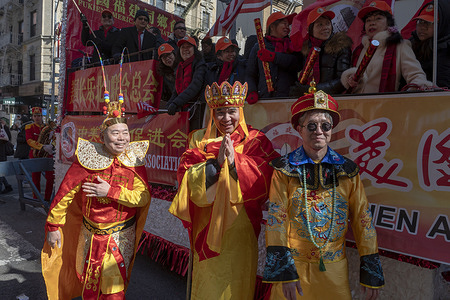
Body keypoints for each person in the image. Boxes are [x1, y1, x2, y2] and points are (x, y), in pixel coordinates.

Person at [263, 84, 385, 299]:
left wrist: (371, 273)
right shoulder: (284, 169)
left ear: (331, 130)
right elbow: (277, 220)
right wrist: (285, 274)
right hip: (295, 268)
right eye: (311, 126)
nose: (319, 131)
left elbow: (362, 220)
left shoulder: (348, 171)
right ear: (299, 129)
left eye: (325, 126)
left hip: (334, 269)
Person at [169, 81, 279, 299]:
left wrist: (234, 162)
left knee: (235, 286)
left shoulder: (256, 140)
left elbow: (266, 178)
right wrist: (214, 165)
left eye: (232, 111)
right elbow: (185, 175)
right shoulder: (199, 139)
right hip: (206, 224)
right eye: (220, 112)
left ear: (241, 111)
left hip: (240, 226)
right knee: (207, 286)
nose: (226, 118)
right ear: (212, 112)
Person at [41, 98, 151, 299]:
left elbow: (142, 198)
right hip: (89, 234)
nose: (121, 138)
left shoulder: (133, 161)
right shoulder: (87, 159)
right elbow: (65, 193)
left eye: (125, 133)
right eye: (115, 133)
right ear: (102, 136)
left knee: (113, 288)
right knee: (89, 284)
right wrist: (53, 226)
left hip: (120, 236)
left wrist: (110, 191)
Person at [341, 1, 433, 93]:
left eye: (378, 18)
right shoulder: (358, 50)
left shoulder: (400, 45)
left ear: (389, 23)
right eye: (368, 20)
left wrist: (416, 91)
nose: (372, 23)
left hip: (385, 105)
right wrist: (350, 79)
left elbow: (416, 76)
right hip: (357, 105)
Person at [290, 7, 352, 96]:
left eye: (327, 24)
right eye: (320, 25)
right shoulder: (305, 49)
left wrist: (313, 90)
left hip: (331, 101)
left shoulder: (340, 46)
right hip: (308, 100)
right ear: (310, 29)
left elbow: (342, 80)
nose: (325, 28)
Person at [246, 11, 302, 103]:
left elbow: (297, 64)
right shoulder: (259, 47)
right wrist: (252, 91)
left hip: (288, 97)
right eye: (284, 24)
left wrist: (274, 57)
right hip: (265, 98)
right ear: (272, 27)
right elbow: (250, 74)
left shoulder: (292, 45)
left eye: (288, 25)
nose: (287, 27)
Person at [166, 36, 206, 130]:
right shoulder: (180, 67)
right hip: (183, 110)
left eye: (189, 46)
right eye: (183, 47)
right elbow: (176, 90)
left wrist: (176, 103)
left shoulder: (200, 65)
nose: (185, 50)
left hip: (196, 110)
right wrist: (170, 104)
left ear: (194, 49)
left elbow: (194, 87)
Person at [409, 2, 450, 88]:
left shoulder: (446, 50)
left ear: (442, 24)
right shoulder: (409, 47)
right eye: (420, 21)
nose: (423, 27)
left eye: (429, 23)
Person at [25, 107, 54, 201]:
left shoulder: (47, 127)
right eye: (35, 116)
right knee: (35, 178)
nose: (37, 118)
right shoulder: (29, 127)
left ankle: (47, 198)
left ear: (42, 116)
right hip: (35, 153)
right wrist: (42, 146)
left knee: (50, 178)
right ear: (32, 117)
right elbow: (29, 140)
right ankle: (36, 199)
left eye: (39, 116)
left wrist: (51, 146)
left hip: (47, 153)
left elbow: (54, 138)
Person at [157, 43, 177, 107]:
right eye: (164, 57)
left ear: (174, 54)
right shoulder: (164, 75)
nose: (167, 58)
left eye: (169, 55)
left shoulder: (182, 67)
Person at [0, 117, 13, 194]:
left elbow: (8, 138)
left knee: (0, 173)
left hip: (1, 154)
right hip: (2, 154)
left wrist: (4, 126)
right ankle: (7, 186)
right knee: (1, 173)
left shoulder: (3, 129)